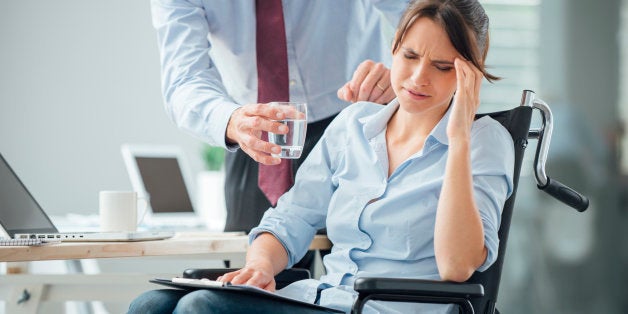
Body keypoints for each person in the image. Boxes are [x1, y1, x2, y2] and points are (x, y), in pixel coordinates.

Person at [130, 0, 514, 312]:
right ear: (393, 48)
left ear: (471, 74)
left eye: (442, 67)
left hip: (382, 308)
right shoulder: (355, 126)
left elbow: (457, 266)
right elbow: (292, 216)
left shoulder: (484, 142)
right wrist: (261, 265)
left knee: (203, 308)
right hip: (326, 297)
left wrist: (459, 136)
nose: (417, 78)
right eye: (409, 56)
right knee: (152, 305)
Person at [150, 0, 408, 272]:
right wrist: (231, 121)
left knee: (365, 274)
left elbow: (430, 15)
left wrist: (404, 73)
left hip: (357, 125)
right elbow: (183, 78)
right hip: (253, 136)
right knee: (249, 284)